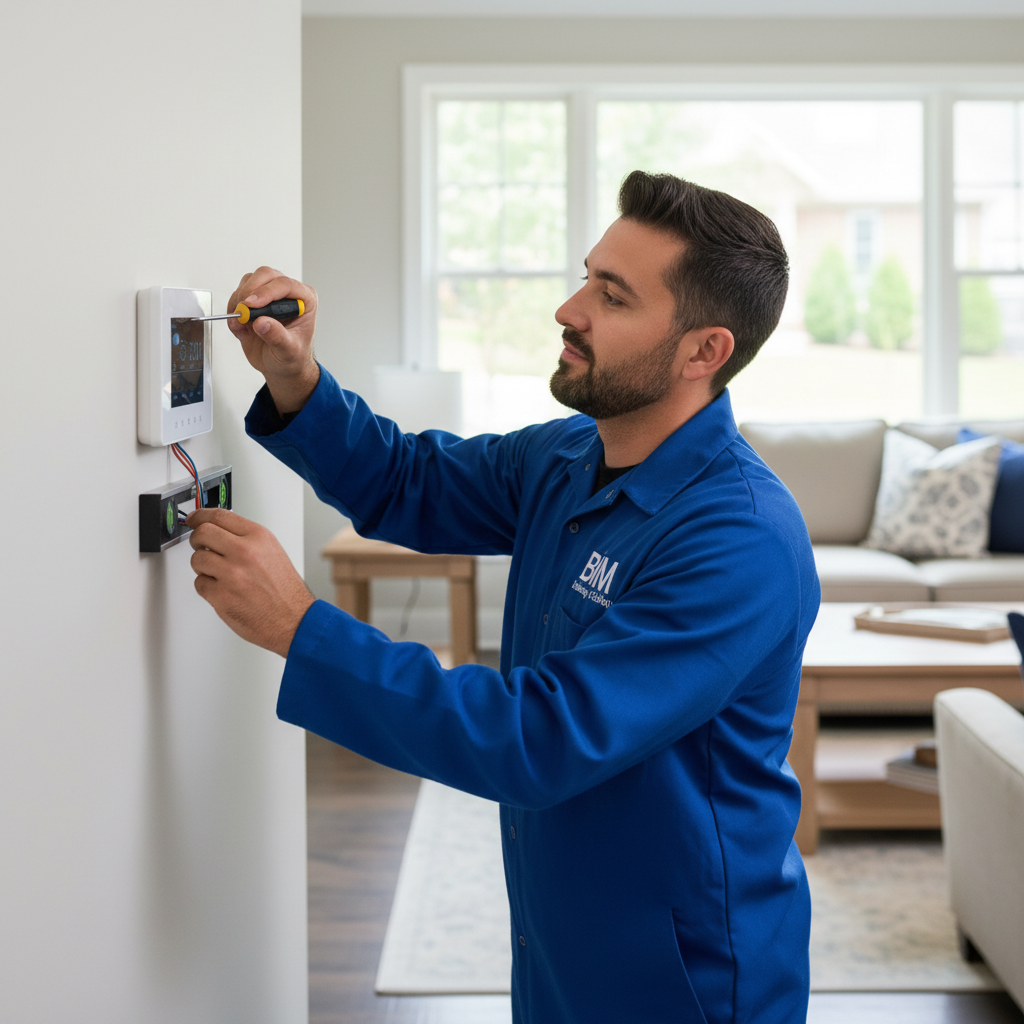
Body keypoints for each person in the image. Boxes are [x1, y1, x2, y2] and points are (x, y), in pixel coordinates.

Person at [186, 171, 820, 1023]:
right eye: (587, 275)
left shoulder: (741, 540)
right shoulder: (568, 455)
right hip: (561, 940)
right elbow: (410, 479)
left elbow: (540, 737)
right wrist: (297, 378)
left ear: (703, 351)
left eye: (613, 295)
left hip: (685, 974)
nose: (569, 308)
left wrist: (304, 630)